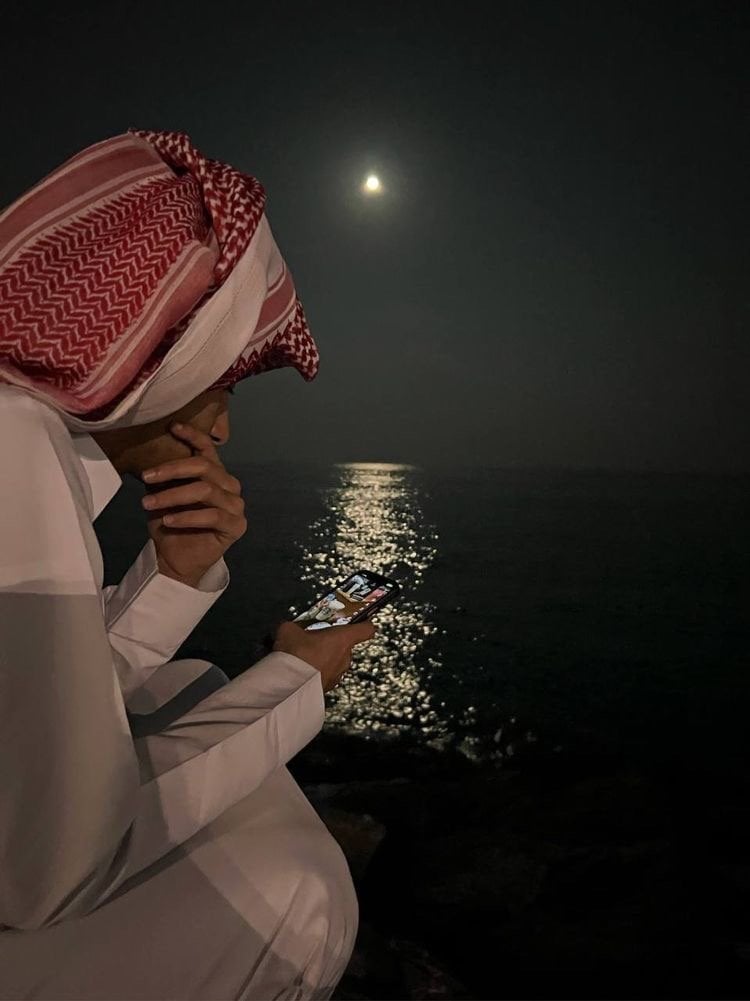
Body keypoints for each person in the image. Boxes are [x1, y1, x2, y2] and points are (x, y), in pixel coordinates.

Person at [0, 129, 375, 1000]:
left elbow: (31, 719)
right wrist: (296, 675)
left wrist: (173, 573)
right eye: (223, 387)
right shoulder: (16, 453)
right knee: (303, 898)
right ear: (159, 362)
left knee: (190, 682)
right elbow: (55, 869)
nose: (223, 428)